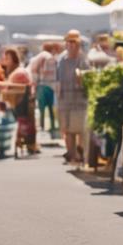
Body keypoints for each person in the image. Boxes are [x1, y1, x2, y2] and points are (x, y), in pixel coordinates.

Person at [56, 30, 89, 164]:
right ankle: (72, 154)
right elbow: (57, 80)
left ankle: (80, 152)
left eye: (74, 42)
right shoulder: (61, 60)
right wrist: (57, 100)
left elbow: (87, 77)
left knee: (80, 128)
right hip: (65, 99)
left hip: (80, 98)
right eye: (69, 42)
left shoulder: (83, 59)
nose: (72, 45)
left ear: (79, 44)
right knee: (67, 129)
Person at [29, 42, 59, 135]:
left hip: (40, 85)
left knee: (41, 108)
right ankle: (53, 127)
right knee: (51, 108)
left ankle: (42, 126)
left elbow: (33, 72)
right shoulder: (52, 58)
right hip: (50, 86)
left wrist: (35, 84)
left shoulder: (37, 58)